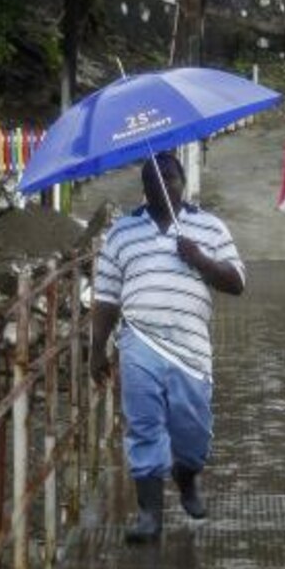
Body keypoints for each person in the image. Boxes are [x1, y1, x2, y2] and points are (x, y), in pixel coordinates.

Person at [90, 150, 245, 543]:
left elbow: (236, 283)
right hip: (139, 339)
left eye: (170, 176)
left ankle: (187, 475)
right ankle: (149, 515)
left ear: (183, 183)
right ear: (144, 187)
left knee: (193, 432)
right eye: (153, 178)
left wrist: (200, 259)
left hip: (190, 349)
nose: (162, 183)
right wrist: (97, 348)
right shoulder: (122, 232)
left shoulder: (210, 227)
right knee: (143, 425)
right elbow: (106, 296)